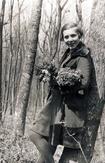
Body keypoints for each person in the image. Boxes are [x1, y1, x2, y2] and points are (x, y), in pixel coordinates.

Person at [29, 22, 92, 163]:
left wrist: (56, 82)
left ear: (80, 36)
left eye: (73, 35)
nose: (70, 39)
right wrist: (49, 74)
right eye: (66, 37)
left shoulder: (83, 56)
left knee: (34, 134)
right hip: (57, 106)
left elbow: (83, 82)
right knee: (47, 148)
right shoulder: (69, 53)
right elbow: (61, 74)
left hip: (67, 109)